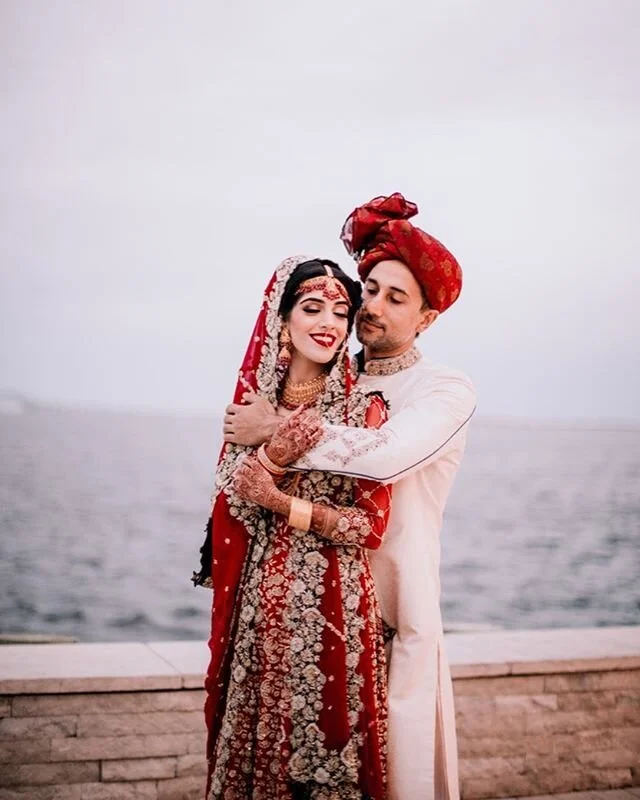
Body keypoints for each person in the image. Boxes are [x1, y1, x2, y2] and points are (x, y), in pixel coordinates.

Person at [223, 194, 477, 800]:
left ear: (426, 318)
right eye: (370, 289)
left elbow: (385, 454)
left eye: (397, 298)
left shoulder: (445, 389)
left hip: (397, 603)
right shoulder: (333, 374)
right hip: (314, 605)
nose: (373, 306)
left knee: (395, 775)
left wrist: (275, 430)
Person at [193, 255, 394, 799]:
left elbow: (370, 528)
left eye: (340, 312)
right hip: (258, 608)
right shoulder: (251, 408)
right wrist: (270, 457)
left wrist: (281, 501)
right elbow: (233, 502)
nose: (329, 323)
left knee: (322, 764)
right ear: (282, 322)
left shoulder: (363, 411)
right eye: (312, 308)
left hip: (335, 608)